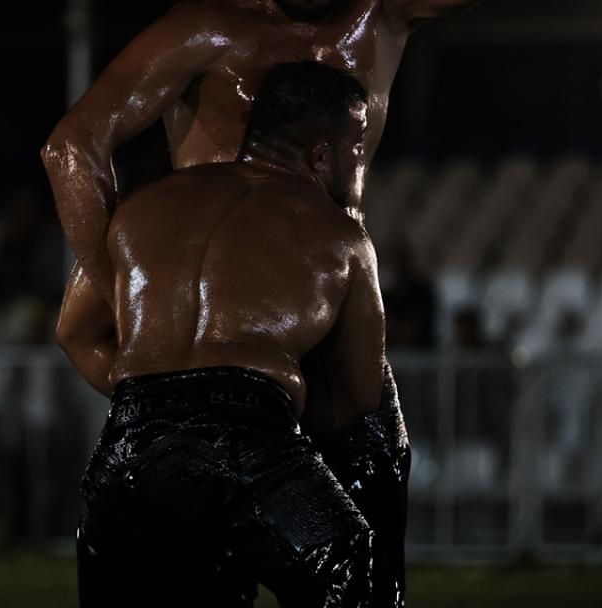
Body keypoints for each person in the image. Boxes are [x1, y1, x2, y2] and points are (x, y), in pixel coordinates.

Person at [44, 0, 523, 602]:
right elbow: (71, 146)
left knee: (363, 552)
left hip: (317, 300)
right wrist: (135, 301)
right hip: (212, 304)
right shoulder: (207, 26)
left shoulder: (378, 9)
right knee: (256, 564)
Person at [61, 62, 386, 607]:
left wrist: (158, 409)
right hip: (249, 434)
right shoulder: (343, 237)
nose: (361, 161)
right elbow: (359, 396)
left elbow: (75, 334)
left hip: (128, 444)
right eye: (357, 146)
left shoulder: (142, 204)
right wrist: (258, 422)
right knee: (352, 568)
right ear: (320, 155)